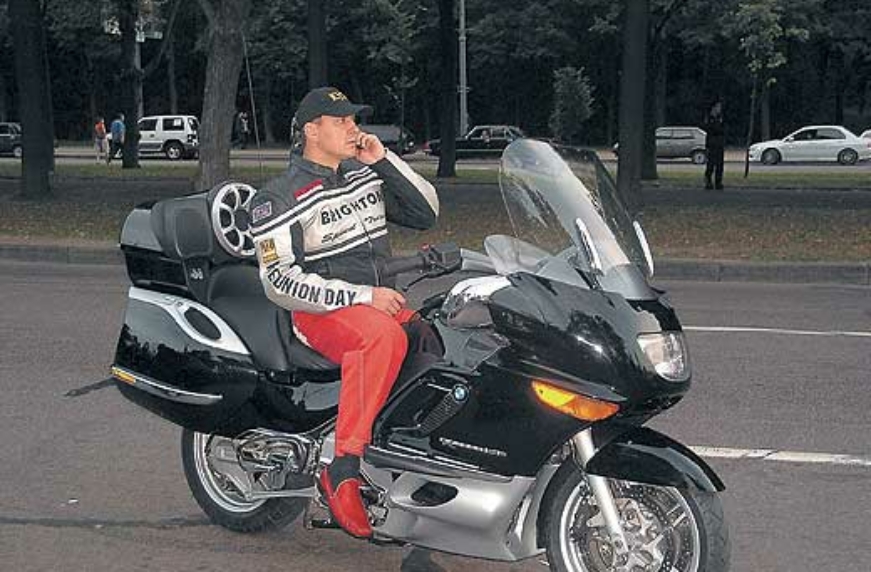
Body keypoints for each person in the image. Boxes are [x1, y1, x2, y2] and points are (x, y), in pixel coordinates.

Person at [248, 87, 439, 539]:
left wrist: (384, 160)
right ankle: (342, 468)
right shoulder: (277, 197)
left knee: (437, 338)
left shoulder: (363, 175)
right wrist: (362, 296)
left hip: (377, 303)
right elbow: (279, 282)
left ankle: (405, 455)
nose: (354, 129)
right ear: (312, 131)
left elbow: (425, 213)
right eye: (342, 122)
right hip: (318, 313)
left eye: (354, 120)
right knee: (382, 338)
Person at [703, 101, 725, 190]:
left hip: (719, 144)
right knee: (711, 164)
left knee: (720, 165)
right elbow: (710, 129)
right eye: (718, 107)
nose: (719, 109)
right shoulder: (709, 118)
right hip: (712, 144)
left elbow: (723, 130)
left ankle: (718, 182)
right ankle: (708, 181)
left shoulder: (721, 118)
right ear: (714, 108)